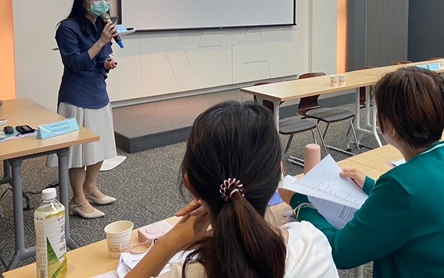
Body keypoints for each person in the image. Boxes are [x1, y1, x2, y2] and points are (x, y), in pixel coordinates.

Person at [280, 67, 444, 277]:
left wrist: (301, 203)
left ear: (387, 124)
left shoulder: (402, 186)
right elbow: (424, 200)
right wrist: (372, 186)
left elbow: (340, 252)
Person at [127, 101, 338, 278]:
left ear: (190, 185)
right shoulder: (312, 246)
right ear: (279, 173)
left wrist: (168, 243)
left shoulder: (184, 273)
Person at [52, 0, 119, 219]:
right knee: (78, 151)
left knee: (98, 145)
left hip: (98, 92)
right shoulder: (67, 28)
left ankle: (91, 187)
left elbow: (102, 56)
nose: (103, 3)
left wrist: (107, 62)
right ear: (84, 1)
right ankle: (78, 199)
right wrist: (101, 41)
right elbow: (75, 63)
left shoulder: (100, 24)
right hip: (77, 95)